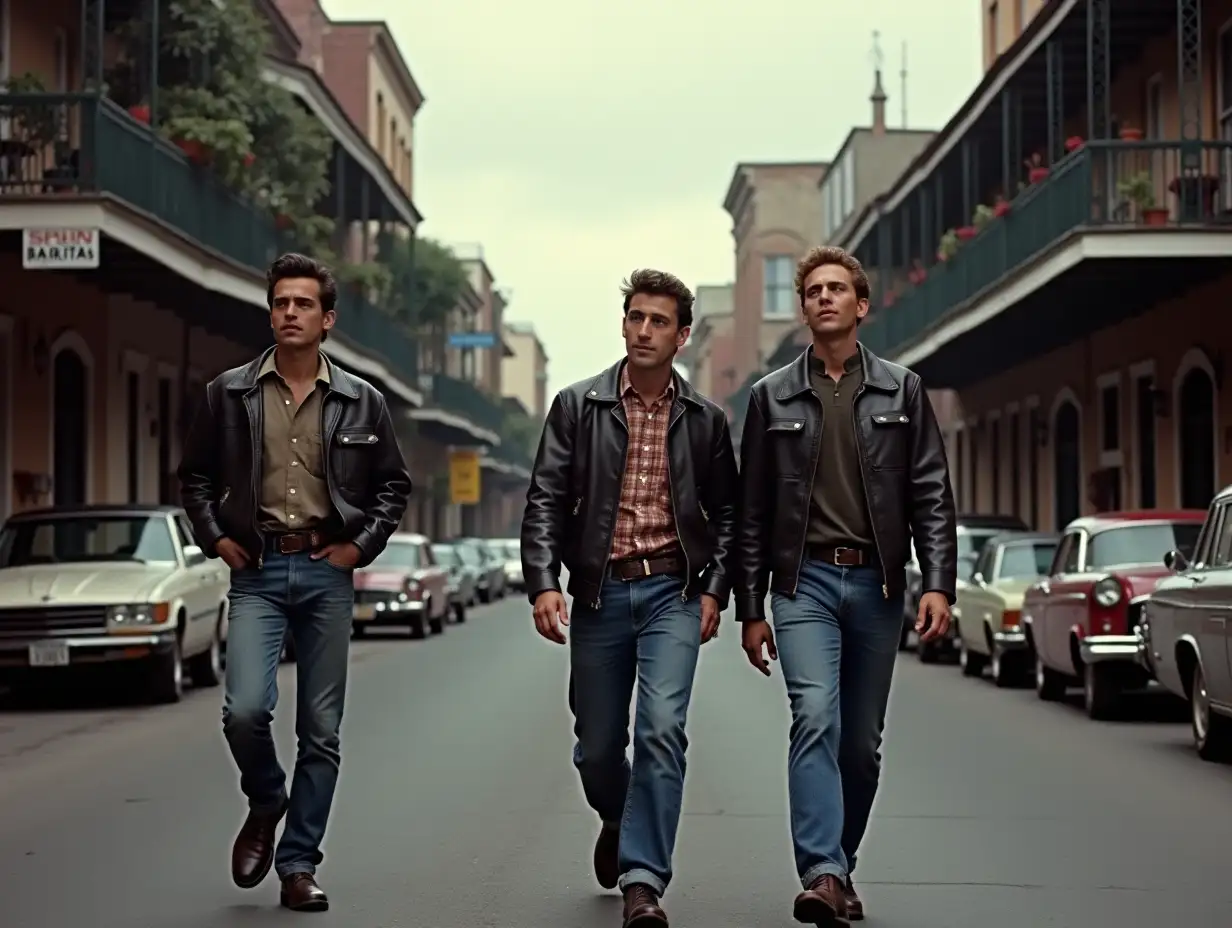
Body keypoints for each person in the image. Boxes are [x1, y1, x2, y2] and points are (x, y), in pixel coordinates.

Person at [177, 253, 412, 912]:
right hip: (255, 569)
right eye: (281, 302)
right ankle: (265, 797)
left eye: (303, 304)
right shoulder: (229, 393)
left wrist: (359, 547)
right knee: (244, 709)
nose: (289, 313)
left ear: (327, 318)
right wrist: (216, 538)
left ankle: (299, 863)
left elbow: (393, 485)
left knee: (321, 729)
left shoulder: (361, 399)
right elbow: (194, 476)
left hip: (325, 573)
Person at [736, 246, 956, 925]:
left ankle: (842, 864)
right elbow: (750, 511)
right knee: (815, 719)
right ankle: (822, 871)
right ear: (804, 309)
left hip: (878, 585)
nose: (824, 298)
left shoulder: (903, 390)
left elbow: (930, 493)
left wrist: (938, 583)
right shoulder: (769, 396)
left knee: (860, 744)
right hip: (802, 586)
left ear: (861, 305)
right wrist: (751, 607)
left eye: (838, 289)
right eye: (813, 291)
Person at [520, 269, 738, 928]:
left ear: (682, 336)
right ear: (624, 323)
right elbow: (545, 500)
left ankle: (644, 880)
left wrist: (715, 592)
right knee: (596, 744)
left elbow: (728, 514)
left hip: (673, 590)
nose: (644, 331)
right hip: (599, 595)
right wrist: (540, 585)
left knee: (662, 730)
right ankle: (616, 815)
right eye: (636, 317)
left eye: (659, 321)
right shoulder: (577, 406)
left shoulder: (704, 421)